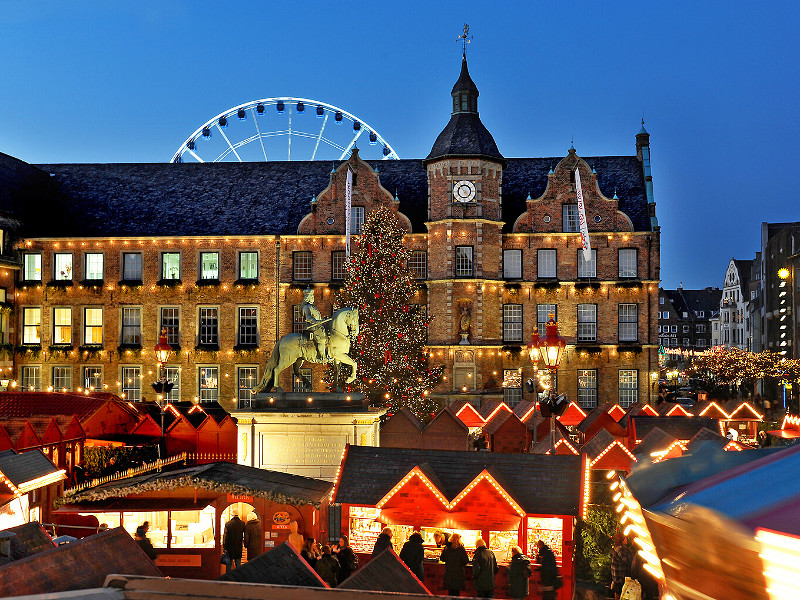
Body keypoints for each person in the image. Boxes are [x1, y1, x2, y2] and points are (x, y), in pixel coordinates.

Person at [301, 287, 330, 362]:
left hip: (317, 325)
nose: (313, 297)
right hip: (312, 327)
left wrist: (322, 320)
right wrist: (316, 321)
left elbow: (318, 317)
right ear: (308, 297)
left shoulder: (313, 307)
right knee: (322, 340)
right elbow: (308, 317)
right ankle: (322, 357)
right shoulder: (307, 307)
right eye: (312, 296)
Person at [439, 532, 469, 597]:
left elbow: (442, 558)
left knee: (450, 592)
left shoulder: (447, 548)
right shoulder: (461, 549)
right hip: (458, 573)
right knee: (457, 593)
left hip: (449, 572)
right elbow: (466, 560)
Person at [611, 532, 632, 600]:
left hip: (616, 575)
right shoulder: (621, 549)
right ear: (622, 540)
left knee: (618, 592)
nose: (627, 539)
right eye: (625, 538)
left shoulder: (617, 547)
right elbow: (626, 560)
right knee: (620, 592)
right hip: (620, 575)